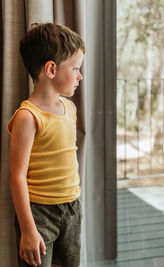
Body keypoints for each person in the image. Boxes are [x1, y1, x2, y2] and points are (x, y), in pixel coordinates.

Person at [7, 23, 85, 267]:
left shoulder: (70, 108)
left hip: (72, 208)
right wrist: (28, 230)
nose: (80, 76)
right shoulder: (27, 117)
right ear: (51, 69)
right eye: (75, 68)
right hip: (39, 214)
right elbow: (17, 176)